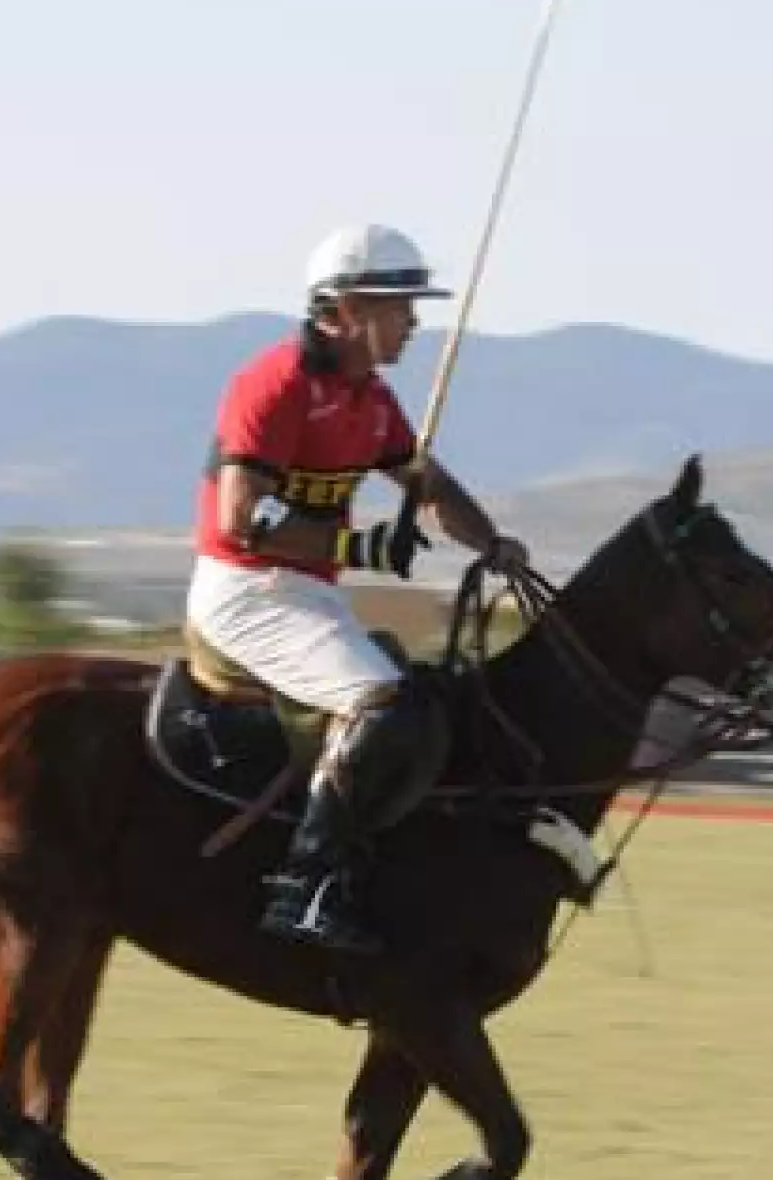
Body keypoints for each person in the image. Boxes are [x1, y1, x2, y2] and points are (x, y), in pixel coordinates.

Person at [185, 223, 529, 956]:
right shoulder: (274, 383)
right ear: (340, 309)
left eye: (413, 305)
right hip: (244, 589)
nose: (413, 321)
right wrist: (360, 545)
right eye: (398, 304)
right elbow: (240, 520)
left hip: (305, 594)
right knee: (382, 702)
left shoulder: (371, 400)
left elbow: (428, 485)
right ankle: (305, 888)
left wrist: (493, 543)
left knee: (425, 703)